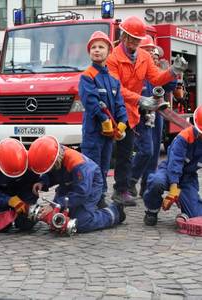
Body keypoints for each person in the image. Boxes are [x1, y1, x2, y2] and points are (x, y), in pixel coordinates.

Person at [106, 16, 187, 206]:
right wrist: (141, 99)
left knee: (141, 151)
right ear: (124, 36)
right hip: (118, 111)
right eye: (132, 38)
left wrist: (173, 71)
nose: (134, 42)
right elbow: (116, 89)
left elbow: (156, 78)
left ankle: (127, 186)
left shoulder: (143, 56)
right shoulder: (113, 59)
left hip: (133, 111)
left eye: (137, 39)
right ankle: (120, 190)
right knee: (124, 154)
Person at [28, 136, 126, 233]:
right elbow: (52, 173)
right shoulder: (54, 156)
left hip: (91, 184)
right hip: (69, 183)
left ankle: (115, 211)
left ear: (55, 161)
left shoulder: (78, 164)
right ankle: (94, 206)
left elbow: (81, 193)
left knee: (81, 222)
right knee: (58, 217)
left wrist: (54, 205)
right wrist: (42, 182)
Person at [79, 31, 127, 208]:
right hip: (93, 133)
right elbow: (90, 101)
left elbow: (120, 103)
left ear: (109, 51)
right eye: (93, 47)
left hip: (108, 135)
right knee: (92, 167)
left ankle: (100, 198)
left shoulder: (113, 79)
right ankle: (90, 199)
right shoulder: (87, 76)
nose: (96, 50)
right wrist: (104, 120)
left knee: (105, 167)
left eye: (101, 47)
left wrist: (122, 123)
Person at [128, 37, 177, 198]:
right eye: (147, 49)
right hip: (141, 115)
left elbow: (170, 87)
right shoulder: (136, 68)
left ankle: (146, 186)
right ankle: (131, 180)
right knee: (145, 150)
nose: (151, 53)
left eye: (152, 50)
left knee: (154, 151)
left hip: (156, 115)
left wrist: (171, 72)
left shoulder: (154, 69)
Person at [143, 105, 202, 226]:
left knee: (196, 216)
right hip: (168, 170)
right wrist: (174, 188)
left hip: (188, 177)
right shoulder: (184, 137)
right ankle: (152, 210)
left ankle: (187, 209)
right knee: (156, 182)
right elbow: (174, 162)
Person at [0, 138, 39, 230]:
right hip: (1, 196)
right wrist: (9, 200)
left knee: (25, 224)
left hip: (22, 193)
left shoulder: (30, 162)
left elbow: (31, 186)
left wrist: (27, 203)